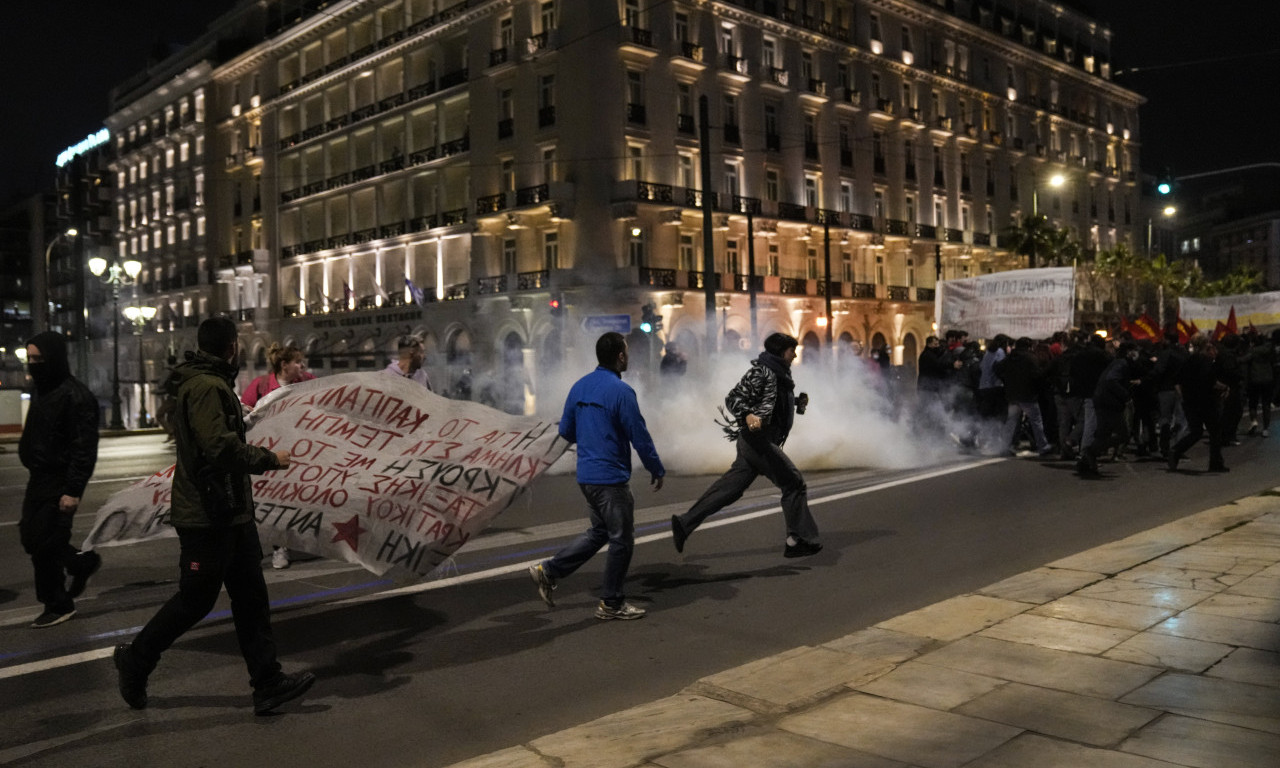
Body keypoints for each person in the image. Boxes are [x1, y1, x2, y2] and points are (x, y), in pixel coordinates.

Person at [113, 317, 315, 715]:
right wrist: (269, 459)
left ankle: (267, 682)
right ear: (231, 347)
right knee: (196, 600)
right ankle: (136, 659)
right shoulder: (206, 386)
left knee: (251, 598)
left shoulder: (213, 381)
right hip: (208, 515)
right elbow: (218, 448)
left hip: (231, 511)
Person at [528, 332, 664, 620]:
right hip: (610, 478)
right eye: (626, 351)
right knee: (621, 540)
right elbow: (638, 434)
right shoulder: (620, 392)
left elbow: (565, 431)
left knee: (600, 532)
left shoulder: (579, 387)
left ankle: (549, 570)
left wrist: (592, 434)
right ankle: (611, 603)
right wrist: (656, 467)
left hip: (586, 476)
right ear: (621, 356)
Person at [670, 332, 822, 558]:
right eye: (792, 350)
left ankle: (684, 524)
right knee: (793, 483)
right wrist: (748, 415)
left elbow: (773, 406)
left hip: (758, 442)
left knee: (729, 490)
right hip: (757, 442)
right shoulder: (763, 371)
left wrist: (797, 402)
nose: (795, 354)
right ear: (781, 352)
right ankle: (796, 539)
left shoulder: (780, 375)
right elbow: (733, 399)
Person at [19, 332, 102, 628]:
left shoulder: (75, 396)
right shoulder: (42, 389)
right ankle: (80, 562)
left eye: (39, 359)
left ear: (53, 359)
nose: (33, 364)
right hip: (39, 477)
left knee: (45, 544)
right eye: (30, 358)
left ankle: (58, 603)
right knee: (31, 537)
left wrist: (72, 490)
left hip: (59, 479)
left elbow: (84, 448)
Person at [241, 342, 308, 569]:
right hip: (271, 452)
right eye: (297, 362)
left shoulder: (307, 381)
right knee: (277, 499)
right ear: (284, 365)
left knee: (297, 497)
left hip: (301, 450)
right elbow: (243, 410)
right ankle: (280, 548)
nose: (302, 366)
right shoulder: (260, 385)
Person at [1168, 335, 1229, 473]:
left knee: (1196, 431)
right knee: (1215, 432)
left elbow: (1177, 380)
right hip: (1206, 401)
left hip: (1190, 401)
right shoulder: (1207, 361)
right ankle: (1216, 463)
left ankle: (1176, 450)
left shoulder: (1188, 360)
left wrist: (1183, 396)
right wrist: (1225, 388)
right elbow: (1211, 382)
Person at [994, 336, 1052, 456]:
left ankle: (1004, 447)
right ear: (1029, 346)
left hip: (1012, 395)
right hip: (1028, 395)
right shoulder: (1031, 358)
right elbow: (1038, 375)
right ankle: (1043, 446)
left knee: (1011, 422)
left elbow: (997, 368)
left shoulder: (1010, 357)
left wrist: (1006, 380)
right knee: (1036, 421)